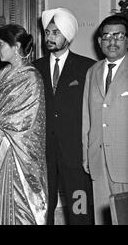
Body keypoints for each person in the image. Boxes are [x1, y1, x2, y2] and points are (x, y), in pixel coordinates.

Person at [33, 8, 95, 225]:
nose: (49, 37)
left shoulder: (87, 68)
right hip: (42, 152)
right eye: (47, 32)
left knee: (80, 207)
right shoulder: (35, 69)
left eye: (55, 33)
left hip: (75, 152)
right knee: (42, 207)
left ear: (67, 36)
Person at [0, 24, 48, 225]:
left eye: (0, 45)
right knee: (0, 200)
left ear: (16, 46)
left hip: (20, 153)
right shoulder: (2, 74)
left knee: (21, 206)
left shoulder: (31, 77)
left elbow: (28, 119)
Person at [82, 14, 128, 225]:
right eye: (107, 36)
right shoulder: (93, 71)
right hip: (98, 160)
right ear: (99, 41)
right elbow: (86, 117)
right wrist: (86, 155)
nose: (112, 41)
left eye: (118, 36)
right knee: (103, 220)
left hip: (124, 160)